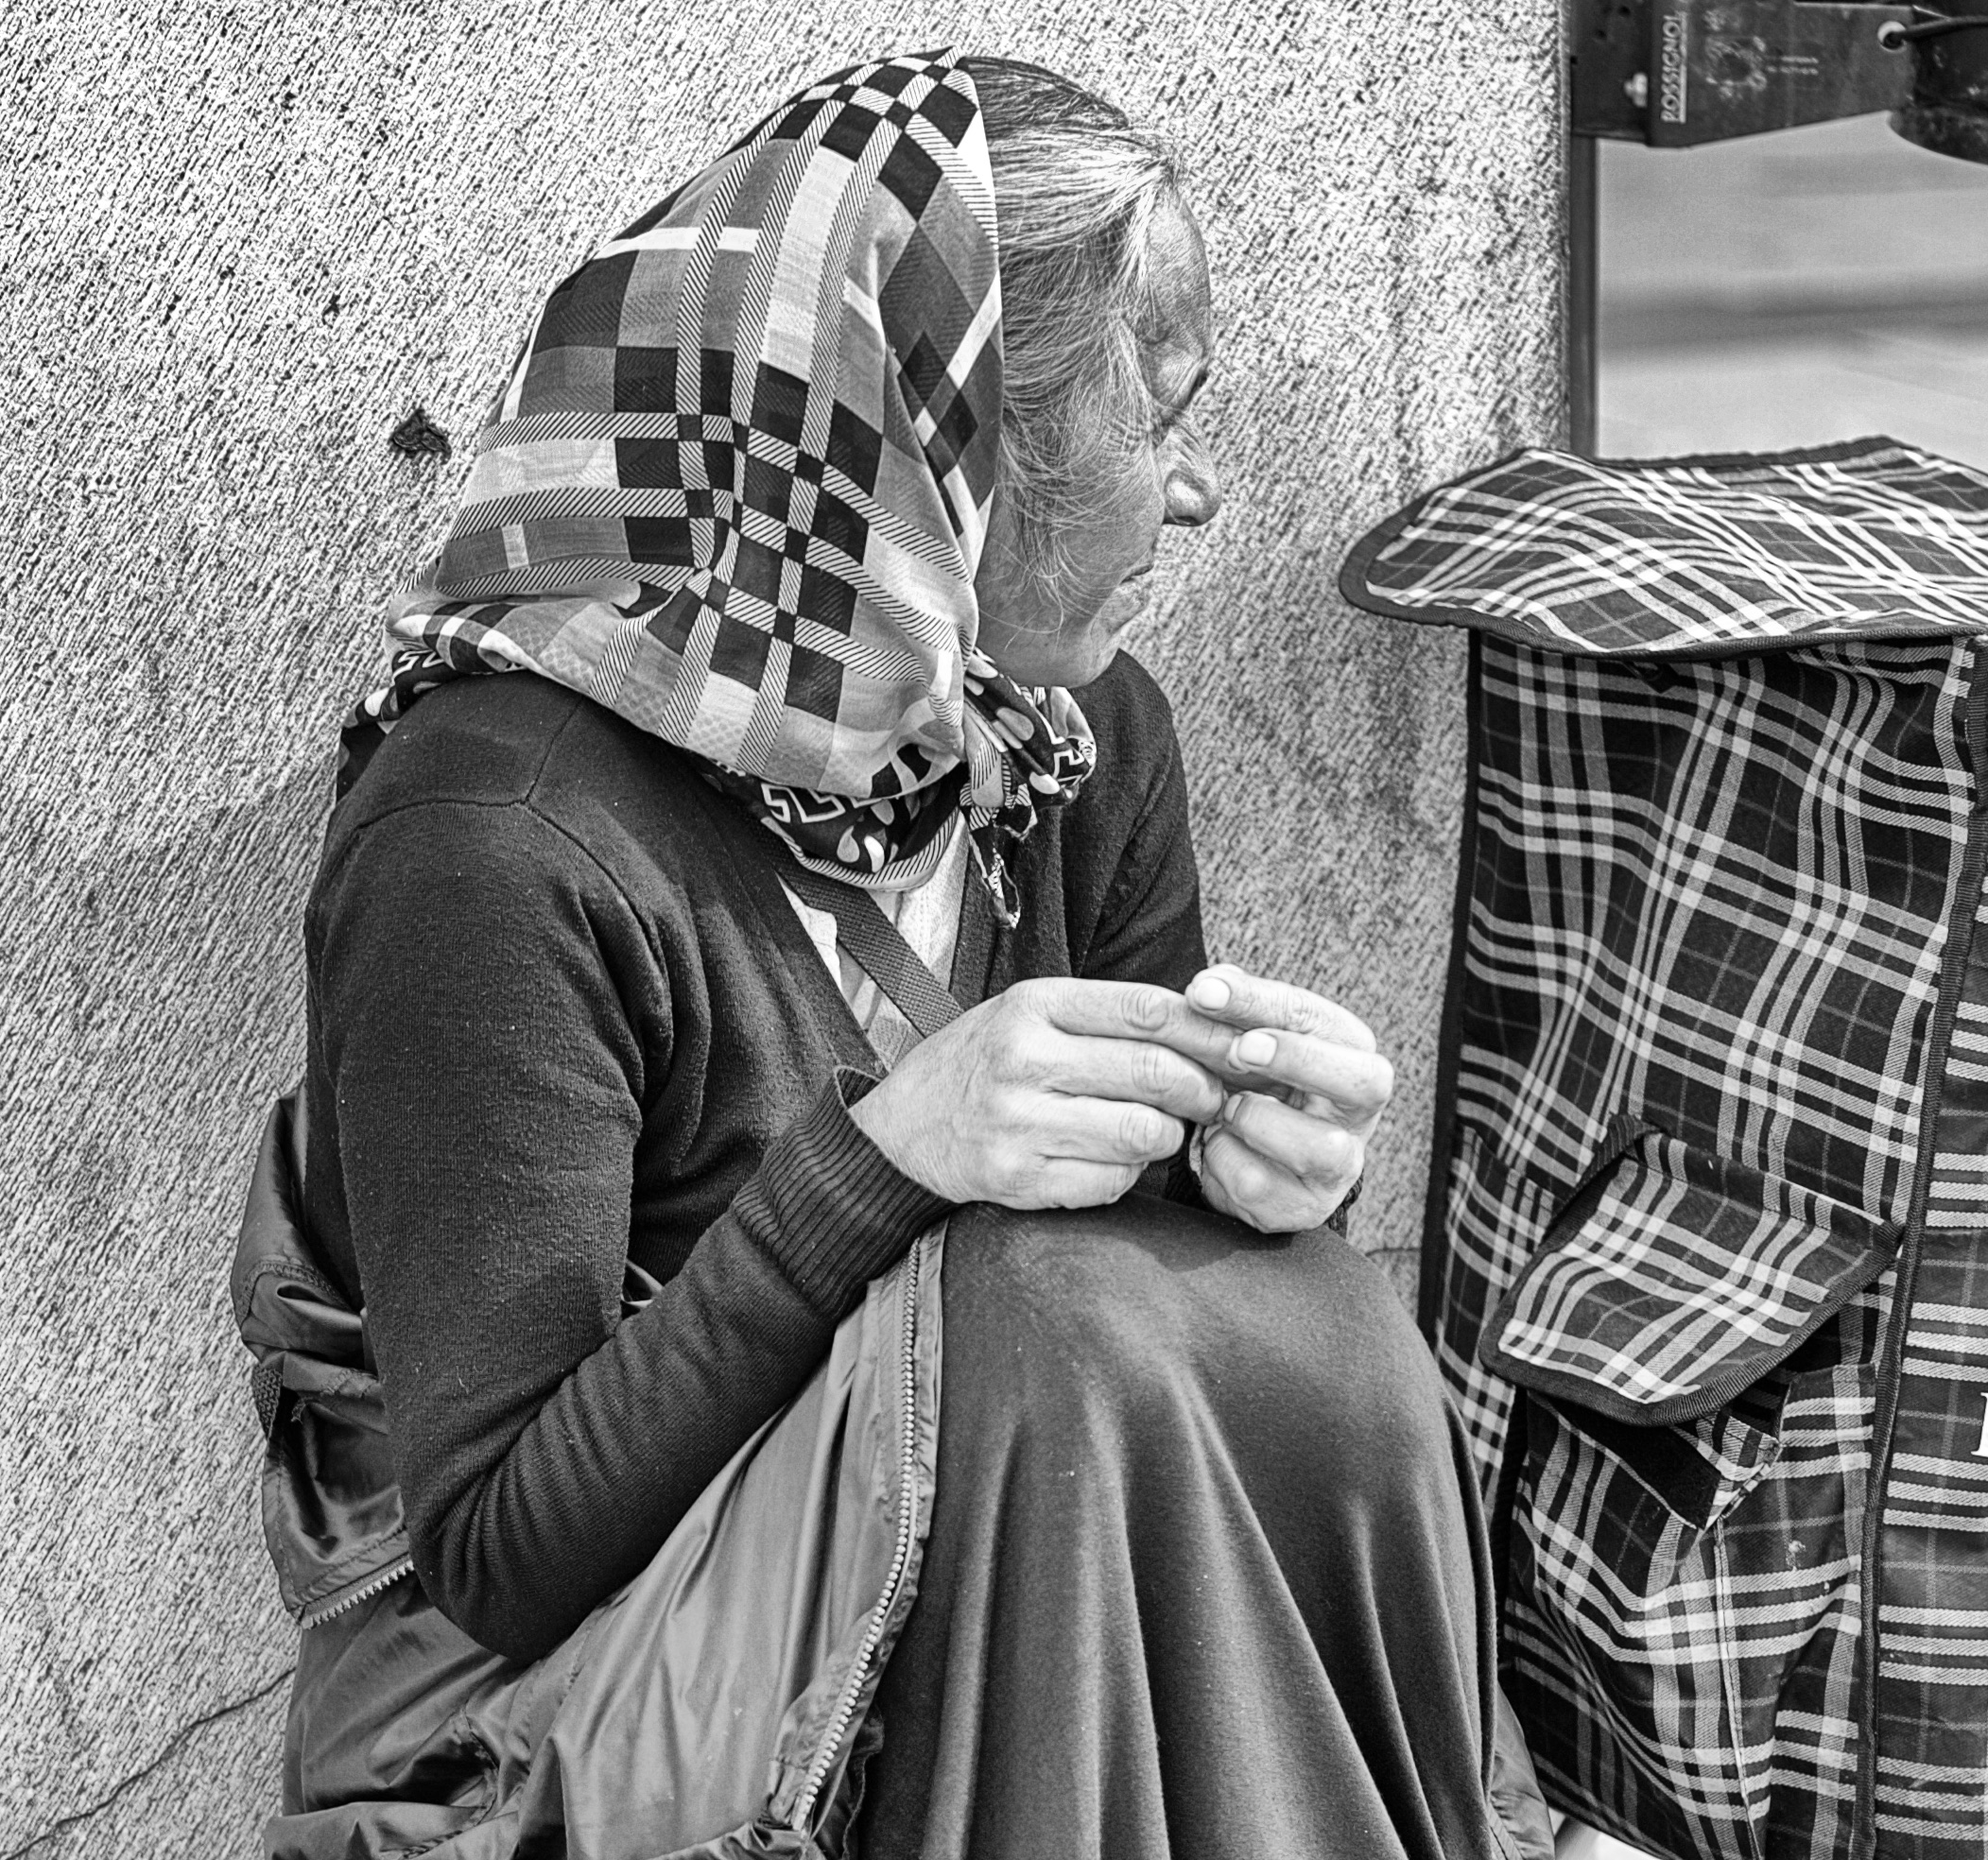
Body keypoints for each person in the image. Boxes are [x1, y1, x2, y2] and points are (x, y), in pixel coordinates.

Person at [283, 49, 1530, 1858]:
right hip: (553, 1715)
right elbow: (498, 1555)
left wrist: (1253, 1175)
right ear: (945, 451)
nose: (1196, 494)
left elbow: (1155, 1316)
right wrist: (882, 1161)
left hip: (981, 1601)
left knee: (1320, 1327)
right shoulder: (495, 840)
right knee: (1036, 1326)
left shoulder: (1075, 742)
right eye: (1157, 418)